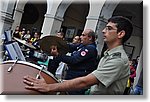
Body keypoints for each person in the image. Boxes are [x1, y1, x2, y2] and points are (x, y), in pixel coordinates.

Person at [23, 16, 133, 95]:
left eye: (109, 28)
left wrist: (49, 87)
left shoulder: (117, 60)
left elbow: (85, 81)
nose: (103, 31)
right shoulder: (108, 54)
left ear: (120, 34)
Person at [47, 29, 98, 94]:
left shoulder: (90, 49)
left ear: (90, 38)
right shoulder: (83, 45)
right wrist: (58, 44)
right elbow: (70, 47)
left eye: (83, 35)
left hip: (77, 80)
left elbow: (73, 60)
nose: (80, 37)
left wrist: (58, 55)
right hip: (71, 77)